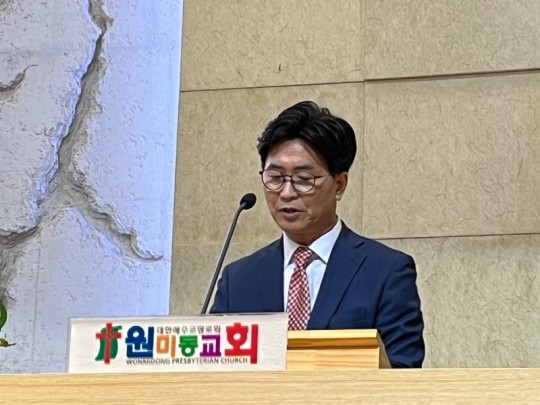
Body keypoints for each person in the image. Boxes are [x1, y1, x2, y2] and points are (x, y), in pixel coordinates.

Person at [210, 101, 424, 368]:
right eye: (275, 177)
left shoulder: (386, 271)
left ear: (339, 185)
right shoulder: (239, 279)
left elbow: (402, 373)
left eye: (304, 179)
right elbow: (213, 371)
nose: (287, 193)